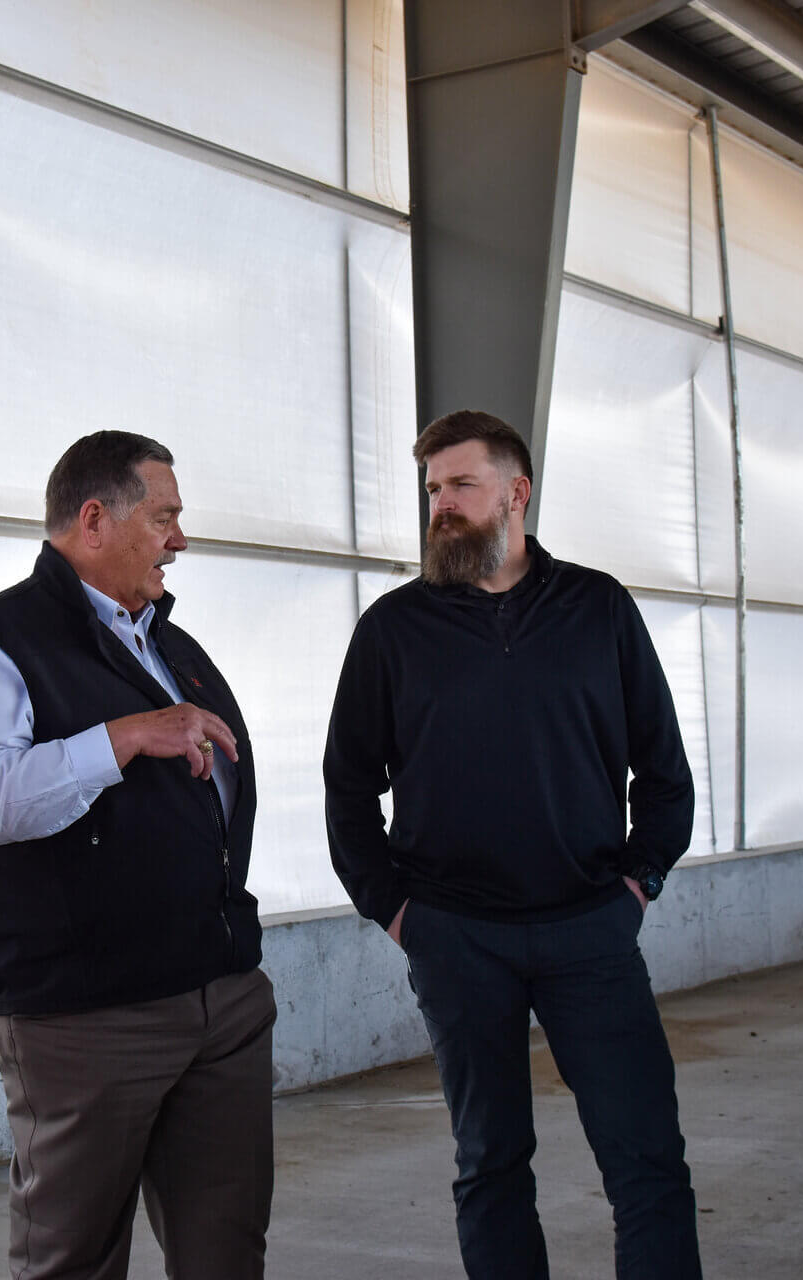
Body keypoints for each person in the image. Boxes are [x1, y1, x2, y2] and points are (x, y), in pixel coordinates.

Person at [323, 409, 701, 1280]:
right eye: (431, 490)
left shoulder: (597, 607)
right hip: (457, 936)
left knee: (646, 1160)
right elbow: (348, 788)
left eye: (460, 485)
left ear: (516, 493)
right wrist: (399, 913)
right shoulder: (393, 630)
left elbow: (666, 771)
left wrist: (638, 884)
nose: (441, 506)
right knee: (490, 1166)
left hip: (590, 931)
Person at [0, 430, 274, 1280]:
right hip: (87, 1020)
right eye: (165, 518)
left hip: (219, 997)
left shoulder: (163, 642)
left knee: (226, 1251)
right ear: (94, 519)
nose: (180, 541)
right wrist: (120, 739)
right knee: (71, 1259)